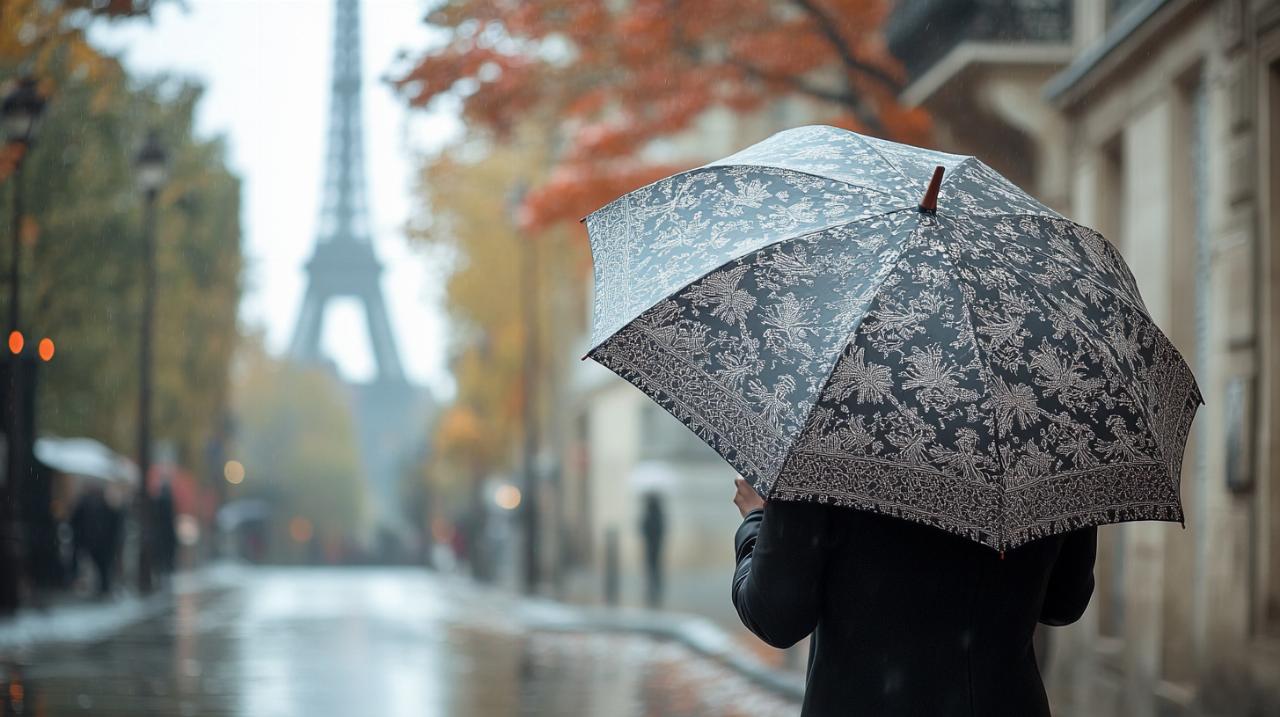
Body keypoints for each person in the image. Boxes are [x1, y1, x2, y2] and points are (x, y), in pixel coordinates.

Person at [731, 478, 1096, 717]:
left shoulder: (834, 436)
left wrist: (756, 521)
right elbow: (1064, 602)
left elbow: (776, 616)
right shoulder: (1054, 439)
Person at [69, 484, 122, 597]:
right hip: (98, 541)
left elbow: (74, 520)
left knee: (96, 565)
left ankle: (100, 587)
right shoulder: (104, 504)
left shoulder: (88, 503)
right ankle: (103, 587)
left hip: (89, 540)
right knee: (101, 566)